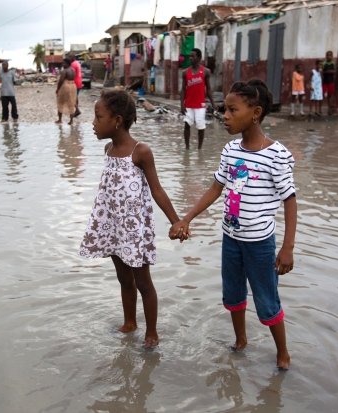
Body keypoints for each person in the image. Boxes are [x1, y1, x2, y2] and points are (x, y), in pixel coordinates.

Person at [169, 79, 297, 370]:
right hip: (231, 239)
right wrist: (186, 218)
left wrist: (288, 248)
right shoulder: (230, 151)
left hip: (260, 244)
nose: (224, 116)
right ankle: (241, 340)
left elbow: (290, 200)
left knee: (267, 300)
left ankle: (283, 353)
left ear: (255, 112)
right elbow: (216, 188)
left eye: (231, 110)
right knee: (233, 294)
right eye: (224, 109)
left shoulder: (275, 155)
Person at [79, 90, 181, 349]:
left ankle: (152, 333)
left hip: (134, 230)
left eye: (98, 117)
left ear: (117, 120)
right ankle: (129, 322)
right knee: (124, 279)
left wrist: (175, 221)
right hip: (113, 226)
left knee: (143, 282)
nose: (93, 123)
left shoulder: (141, 151)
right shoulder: (108, 149)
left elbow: (157, 189)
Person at [180, 48, 216, 150]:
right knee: (187, 124)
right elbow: (183, 90)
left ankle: (199, 149)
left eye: (193, 56)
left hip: (200, 105)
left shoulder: (205, 72)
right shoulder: (185, 72)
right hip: (189, 105)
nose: (191, 58)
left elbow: (208, 89)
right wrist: (182, 105)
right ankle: (187, 148)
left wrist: (213, 103)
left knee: (201, 127)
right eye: (190, 56)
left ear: (199, 58)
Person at [55, 58, 77, 125]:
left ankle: (60, 120)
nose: (63, 64)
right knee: (71, 102)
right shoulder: (73, 70)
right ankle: (71, 120)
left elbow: (61, 81)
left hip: (65, 86)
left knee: (60, 102)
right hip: (73, 86)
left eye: (64, 63)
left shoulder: (65, 71)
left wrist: (58, 89)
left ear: (68, 63)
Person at [322, 51, 337, 115]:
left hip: (331, 82)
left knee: (330, 95)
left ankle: (330, 109)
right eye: (327, 55)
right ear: (326, 56)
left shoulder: (333, 63)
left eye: (330, 55)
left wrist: (328, 71)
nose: (329, 57)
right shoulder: (324, 63)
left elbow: (334, 71)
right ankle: (328, 108)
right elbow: (322, 72)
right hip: (325, 82)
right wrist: (328, 72)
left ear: (332, 56)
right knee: (324, 95)